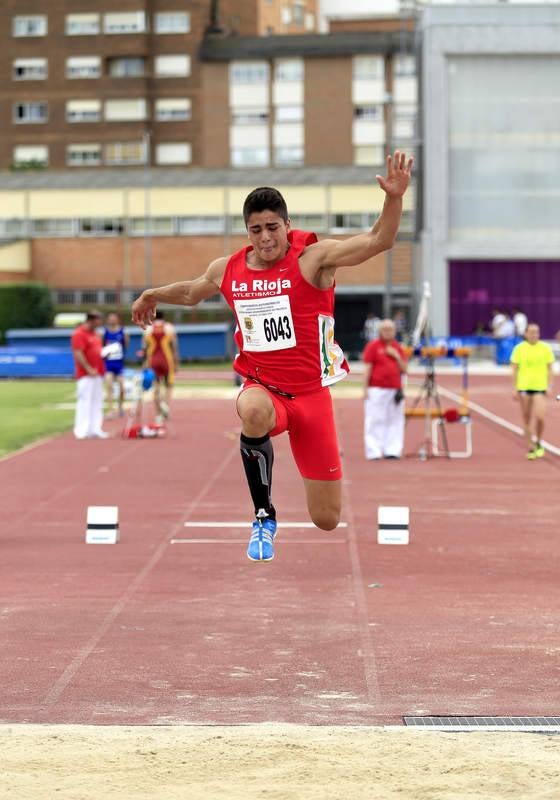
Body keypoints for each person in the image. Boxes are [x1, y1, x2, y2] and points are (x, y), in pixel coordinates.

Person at [132, 150, 413, 561]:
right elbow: (191, 292)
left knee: (327, 518)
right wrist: (152, 293)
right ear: (247, 231)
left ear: (287, 225)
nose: (265, 238)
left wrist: (394, 197)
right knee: (253, 412)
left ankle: (297, 503)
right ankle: (263, 516)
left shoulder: (313, 259)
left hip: (312, 397)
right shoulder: (228, 269)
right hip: (263, 388)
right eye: (256, 230)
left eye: (272, 228)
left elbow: (378, 240)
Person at [362, 319, 408, 460]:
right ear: (380, 331)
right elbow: (367, 368)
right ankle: (374, 451)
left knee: (395, 420)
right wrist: (365, 388)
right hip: (377, 388)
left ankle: (392, 450)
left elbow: (405, 369)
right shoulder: (373, 346)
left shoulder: (397, 347)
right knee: (375, 419)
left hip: (395, 389)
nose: (388, 332)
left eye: (391, 329)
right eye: (385, 329)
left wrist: (396, 356)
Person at [510, 322, 554, 460]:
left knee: (540, 417)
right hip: (524, 388)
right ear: (526, 333)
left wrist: (550, 386)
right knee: (526, 418)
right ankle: (531, 446)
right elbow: (514, 369)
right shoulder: (519, 349)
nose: (535, 334)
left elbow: (550, 368)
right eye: (532, 332)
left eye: (537, 332)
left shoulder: (545, 348)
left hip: (540, 388)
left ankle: (539, 442)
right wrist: (515, 388)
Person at [71, 310, 108, 439]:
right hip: (86, 374)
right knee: (85, 401)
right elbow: (78, 353)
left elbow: (97, 351)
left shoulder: (96, 334)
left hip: (98, 372)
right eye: (98, 320)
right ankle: (82, 430)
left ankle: (95, 428)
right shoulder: (79, 334)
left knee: (97, 401)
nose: (100, 323)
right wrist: (88, 368)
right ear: (91, 320)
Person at [142, 310, 179, 421]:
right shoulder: (170, 328)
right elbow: (174, 348)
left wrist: (145, 362)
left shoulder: (147, 329)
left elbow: (144, 349)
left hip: (152, 360)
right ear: (163, 317)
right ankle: (165, 406)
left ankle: (158, 413)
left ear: (153, 317)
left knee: (156, 387)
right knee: (169, 386)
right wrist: (176, 363)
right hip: (166, 360)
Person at [102, 311, 129, 418]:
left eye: (114, 318)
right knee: (109, 386)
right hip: (108, 363)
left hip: (119, 363)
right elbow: (101, 347)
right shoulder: (104, 332)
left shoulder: (123, 331)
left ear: (117, 319)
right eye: (110, 318)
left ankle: (120, 406)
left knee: (122, 387)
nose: (112, 320)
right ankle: (110, 410)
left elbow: (125, 345)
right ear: (108, 320)